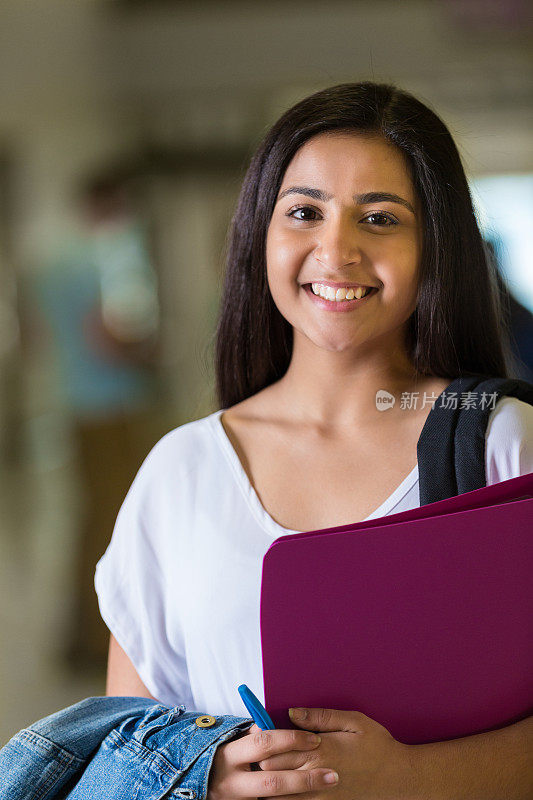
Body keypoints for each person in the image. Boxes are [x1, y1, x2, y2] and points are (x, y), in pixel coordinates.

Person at [19, 81, 529, 799]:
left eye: (379, 218)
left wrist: (413, 775)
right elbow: (127, 742)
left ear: (434, 246)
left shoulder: (498, 444)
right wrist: (202, 773)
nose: (336, 248)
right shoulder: (181, 471)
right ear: (261, 232)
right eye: (303, 212)